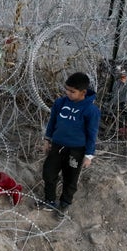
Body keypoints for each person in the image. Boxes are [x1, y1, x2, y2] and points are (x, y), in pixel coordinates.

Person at [37, 72, 100, 219]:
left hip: (76, 151)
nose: (68, 93)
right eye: (67, 89)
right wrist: (47, 140)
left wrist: (89, 155)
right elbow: (52, 122)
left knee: (70, 178)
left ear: (83, 92)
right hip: (57, 146)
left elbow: (92, 134)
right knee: (48, 173)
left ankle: (64, 204)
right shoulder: (60, 103)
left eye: (72, 91)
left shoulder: (91, 110)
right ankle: (50, 200)